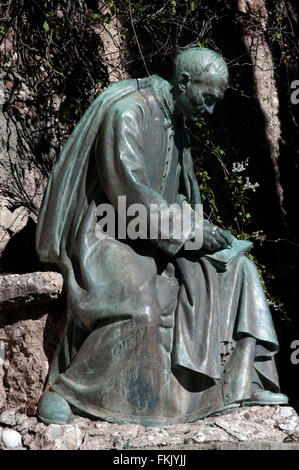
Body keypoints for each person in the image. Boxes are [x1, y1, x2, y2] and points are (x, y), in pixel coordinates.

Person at [36, 48, 288, 425]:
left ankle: (240, 384)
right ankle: (68, 391)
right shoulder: (129, 112)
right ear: (183, 82)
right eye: (207, 99)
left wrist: (206, 231)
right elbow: (128, 194)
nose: (210, 111)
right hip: (109, 234)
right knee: (143, 309)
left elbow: (180, 195)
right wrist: (192, 230)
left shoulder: (178, 124)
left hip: (157, 236)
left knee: (239, 273)